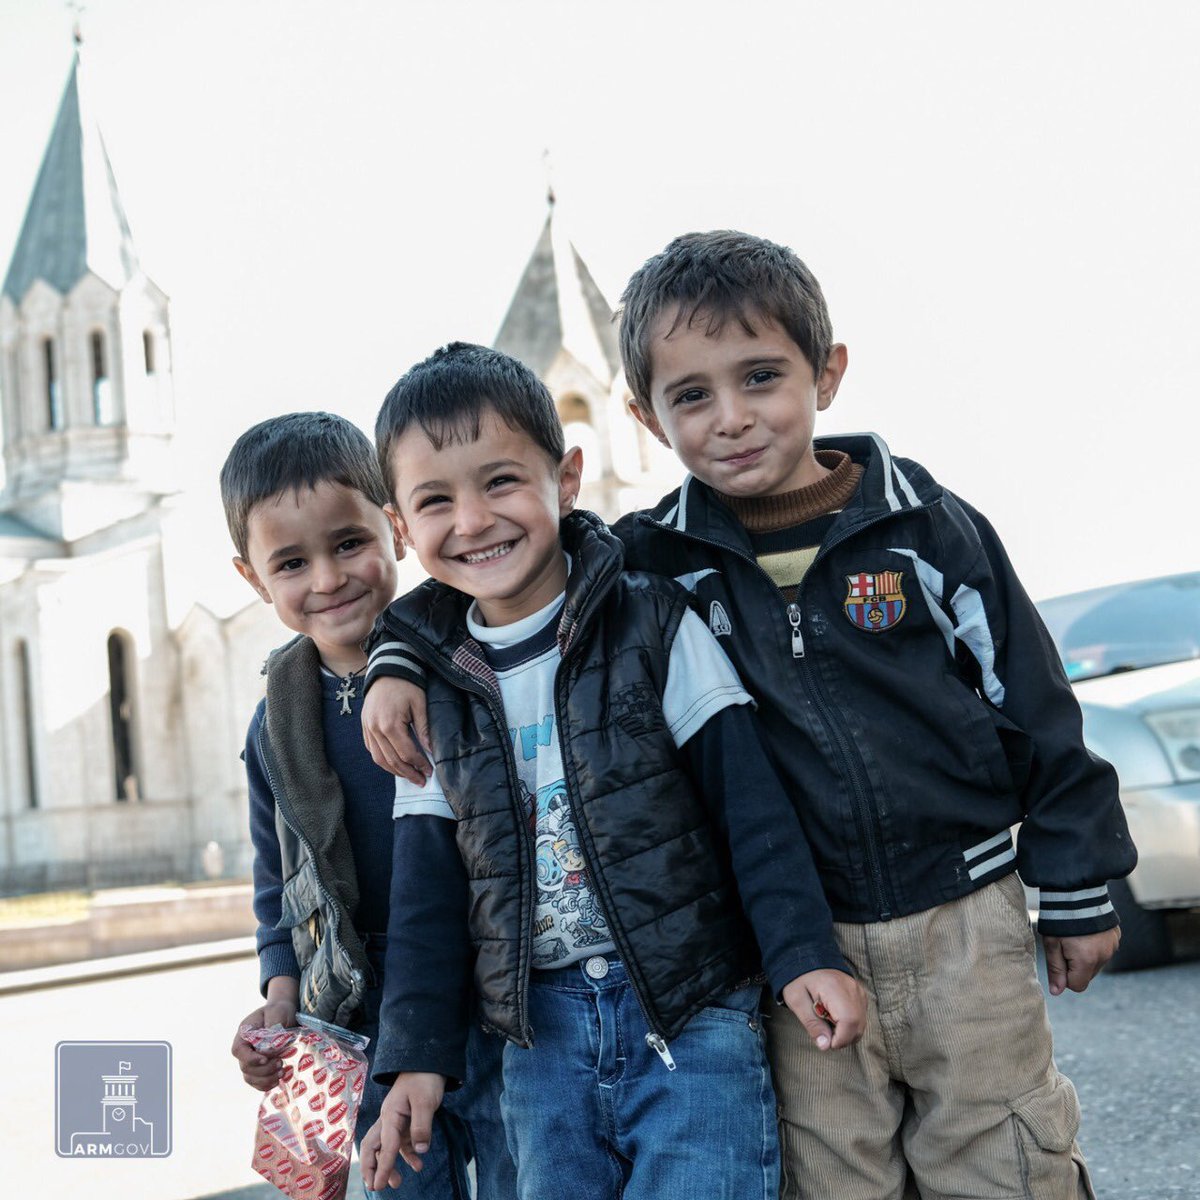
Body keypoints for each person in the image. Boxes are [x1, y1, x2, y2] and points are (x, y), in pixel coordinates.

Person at [363, 233, 1139, 1199]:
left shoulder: (925, 529)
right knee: (831, 1171)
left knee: (1001, 1156)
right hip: (792, 934)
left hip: (962, 914)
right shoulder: (652, 566)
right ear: (647, 419)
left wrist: (1076, 879)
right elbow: (506, 576)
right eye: (692, 397)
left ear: (828, 372)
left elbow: (1034, 703)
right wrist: (398, 654)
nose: (731, 418)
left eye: (762, 377)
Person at [357, 343, 866, 1200]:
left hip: (691, 1007)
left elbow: (751, 811)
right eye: (435, 500)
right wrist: (413, 1059)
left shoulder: (654, 625)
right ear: (403, 529)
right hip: (536, 1038)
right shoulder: (426, 693)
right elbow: (426, 903)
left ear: (565, 479)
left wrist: (802, 955)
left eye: (501, 481)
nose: (474, 520)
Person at [219, 411, 515, 1200]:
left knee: (524, 1169)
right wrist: (280, 1001)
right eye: (291, 562)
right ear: (252, 577)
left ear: (394, 529)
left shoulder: (458, 655)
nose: (327, 579)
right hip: (356, 1005)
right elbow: (276, 878)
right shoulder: (274, 723)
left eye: (349, 544)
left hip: (487, 971)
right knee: (407, 1186)